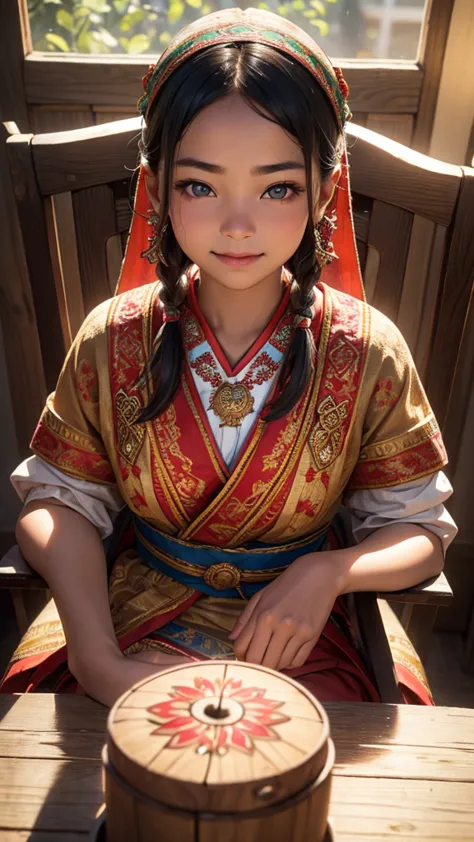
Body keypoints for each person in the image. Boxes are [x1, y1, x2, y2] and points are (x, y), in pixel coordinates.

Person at [2, 8, 456, 707]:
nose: (237, 225)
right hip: (125, 618)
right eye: (199, 186)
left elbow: (419, 528)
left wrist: (330, 573)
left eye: (278, 188)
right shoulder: (111, 337)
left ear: (325, 192)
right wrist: (95, 657)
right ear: (156, 190)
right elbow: (60, 501)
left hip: (301, 633)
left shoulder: (367, 350)